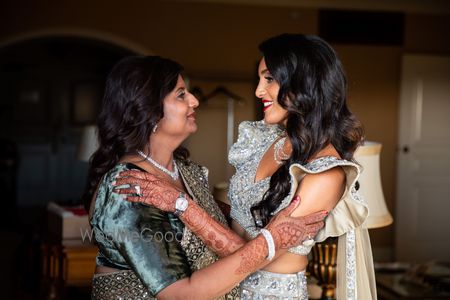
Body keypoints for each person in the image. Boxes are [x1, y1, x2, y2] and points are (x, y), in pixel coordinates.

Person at [118, 34, 377, 299]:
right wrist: (186, 195)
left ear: (304, 84)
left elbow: (263, 258)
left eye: (269, 79)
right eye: (259, 79)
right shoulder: (266, 140)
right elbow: (249, 219)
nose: (258, 91)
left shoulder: (325, 173)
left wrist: (183, 205)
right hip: (227, 289)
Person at [85, 55, 328, 300]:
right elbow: (179, 294)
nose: (194, 100)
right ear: (147, 109)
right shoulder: (128, 186)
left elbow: (217, 233)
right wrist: (272, 240)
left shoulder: (187, 171)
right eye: (181, 94)